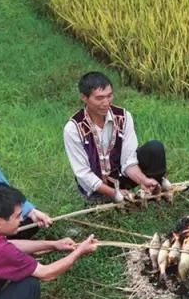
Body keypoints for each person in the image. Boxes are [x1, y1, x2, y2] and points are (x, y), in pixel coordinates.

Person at [64, 71, 168, 203]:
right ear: (84, 98)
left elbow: (129, 160)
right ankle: (103, 200)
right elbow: (83, 174)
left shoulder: (123, 117)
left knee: (154, 148)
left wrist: (143, 180)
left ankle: (149, 194)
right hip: (95, 188)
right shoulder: (73, 129)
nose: (106, 103)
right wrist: (114, 193)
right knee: (100, 196)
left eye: (109, 96)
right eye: (99, 98)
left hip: (121, 177)